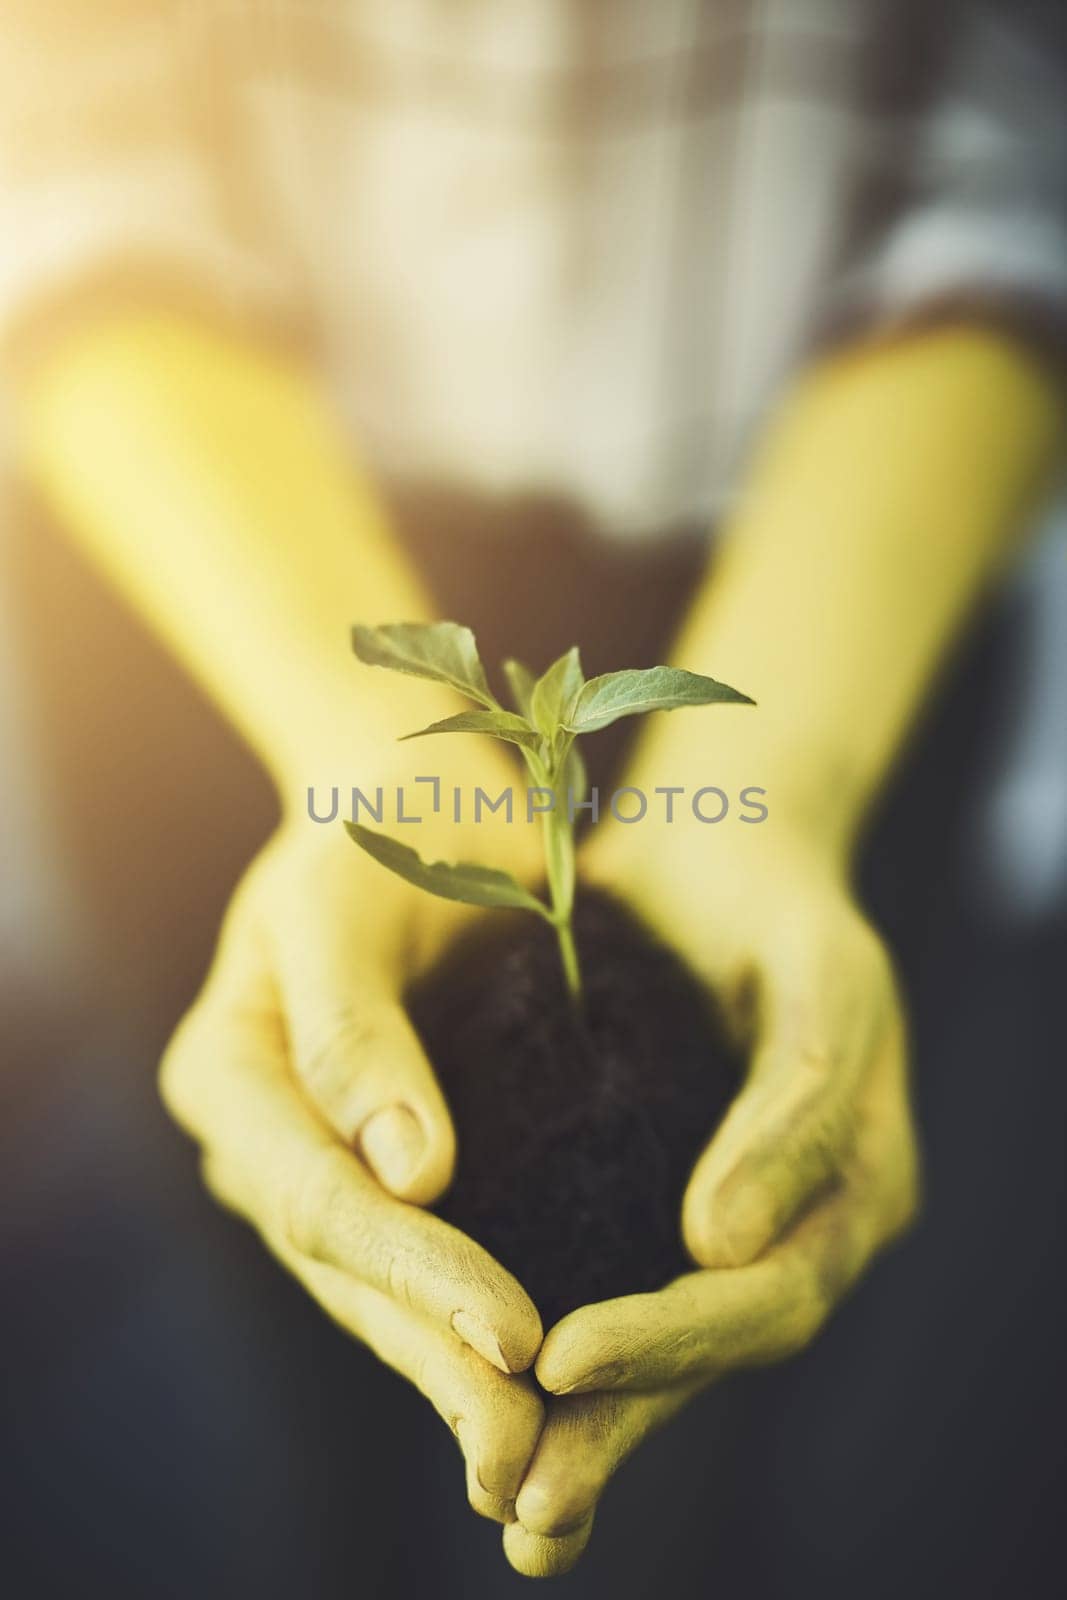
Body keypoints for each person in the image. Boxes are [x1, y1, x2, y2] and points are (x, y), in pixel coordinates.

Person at [4, 1, 1065, 1581]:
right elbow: (52, 138)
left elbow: (1025, 149)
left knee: (727, 1392)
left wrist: (757, 778)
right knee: (297, 1295)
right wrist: (372, 742)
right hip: (226, 593)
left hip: (815, 587)